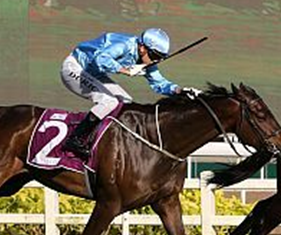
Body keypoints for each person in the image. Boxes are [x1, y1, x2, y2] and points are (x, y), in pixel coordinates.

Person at [60, 28, 195, 160]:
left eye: (160, 58)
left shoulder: (146, 58)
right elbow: (101, 59)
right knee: (109, 101)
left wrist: (180, 91)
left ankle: (105, 138)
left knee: (126, 102)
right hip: (75, 68)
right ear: (142, 47)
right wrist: (125, 70)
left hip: (94, 74)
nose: (155, 61)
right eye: (155, 56)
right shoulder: (124, 45)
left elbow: (159, 83)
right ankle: (74, 139)